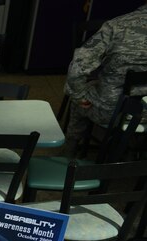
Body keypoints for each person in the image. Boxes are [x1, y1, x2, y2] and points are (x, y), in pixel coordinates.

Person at [63, 3, 147, 152]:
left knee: (78, 99)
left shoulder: (116, 26)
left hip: (111, 112)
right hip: (144, 111)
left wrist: (80, 96)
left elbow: (77, 68)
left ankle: (70, 149)